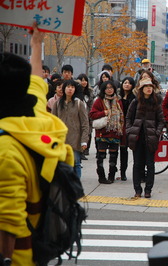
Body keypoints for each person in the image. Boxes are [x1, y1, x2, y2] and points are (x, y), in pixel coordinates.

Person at [0, 23, 73, 266]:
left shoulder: (5, 150)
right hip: (34, 250)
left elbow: (6, 222)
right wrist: (36, 44)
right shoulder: (34, 118)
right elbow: (34, 82)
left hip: (16, 258)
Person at [126, 79, 165, 198]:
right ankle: (137, 189)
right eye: (146, 86)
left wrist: (157, 132)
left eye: (150, 86)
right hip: (137, 137)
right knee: (137, 164)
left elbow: (161, 120)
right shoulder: (135, 102)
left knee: (150, 164)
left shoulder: (155, 102)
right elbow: (128, 118)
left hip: (151, 138)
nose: (149, 88)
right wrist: (129, 130)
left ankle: (148, 190)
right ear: (141, 89)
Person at [52, 80, 90, 178]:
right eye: (68, 87)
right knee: (62, 165)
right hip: (61, 140)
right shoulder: (57, 104)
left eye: (72, 87)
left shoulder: (79, 104)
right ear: (64, 89)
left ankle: (76, 188)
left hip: (75, 139)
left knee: (76, 163)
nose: (70, 89)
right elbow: (53, 122)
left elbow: (85, 124)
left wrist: (84, 141)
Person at [89, 81, 124, 184]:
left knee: (114, 155)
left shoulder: (118, 100)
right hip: (102, 133)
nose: (109, 89)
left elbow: (122, 116)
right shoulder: (99, 101)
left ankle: (111, 175)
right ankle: (101, 176)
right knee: (101, 156)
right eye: (107, 88)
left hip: (115, 132)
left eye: (111, 87)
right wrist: (103, 113)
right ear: (103, 89)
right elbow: (92, 114)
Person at [119, 77, 136, 181]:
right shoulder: (118, 97)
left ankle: (125, 171)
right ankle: (122, 172)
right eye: (125, 82)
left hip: (130, 125)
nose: (127, 85)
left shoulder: (134, 98)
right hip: (119, 125)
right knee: (121, 150)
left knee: (127, 149)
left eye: (129, 83)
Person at [77, 73, 95, 157]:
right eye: (82, 80)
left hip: (87, 114)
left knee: (88, 131)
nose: (83, 82)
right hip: (78, 114)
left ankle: (86, 149)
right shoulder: (76, 91)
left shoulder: (90, 92)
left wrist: (90, 113)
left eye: (85, 80)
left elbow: (91, 104)